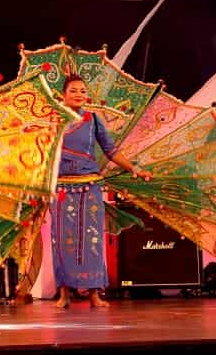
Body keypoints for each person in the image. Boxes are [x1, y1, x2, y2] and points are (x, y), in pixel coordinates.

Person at [52, 75, 151, 308]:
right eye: (73, 91)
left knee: (92, 241)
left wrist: (134, 168)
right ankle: (64, 293)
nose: (79, 94)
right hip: (61, 188)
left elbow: (111, 150)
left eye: (82, 91)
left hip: (90, 187)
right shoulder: (53, 121)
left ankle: (94, 294)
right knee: (63, 241)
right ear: (63, 95)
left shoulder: (93, 120)